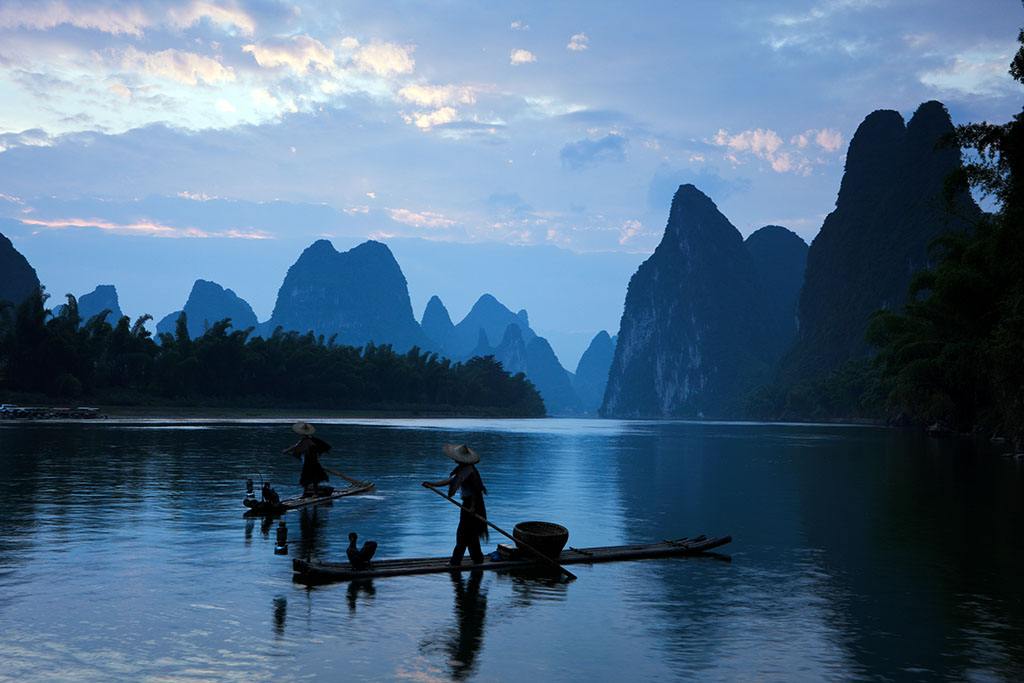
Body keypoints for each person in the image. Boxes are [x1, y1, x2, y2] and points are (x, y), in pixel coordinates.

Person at [423, 443, 488, 566]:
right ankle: (477, 558)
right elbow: (450, 481)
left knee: (463, 533)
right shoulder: (462, 469)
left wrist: (473, 507)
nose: (454, 459)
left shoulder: (469, 471)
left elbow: (476, 490)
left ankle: (456, 561)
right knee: (471, 533)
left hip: (472, 505)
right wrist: (432, 484)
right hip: (468, 504)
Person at [282, 421, 331, 496]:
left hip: (309, 462)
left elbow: (296, 447)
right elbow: (298, 447)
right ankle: (314, 493)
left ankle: (310, 493)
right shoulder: (313, 439)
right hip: (314, 461)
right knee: (314, 478)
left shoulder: (306, 441)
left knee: (307, 478)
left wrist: (286, 450)